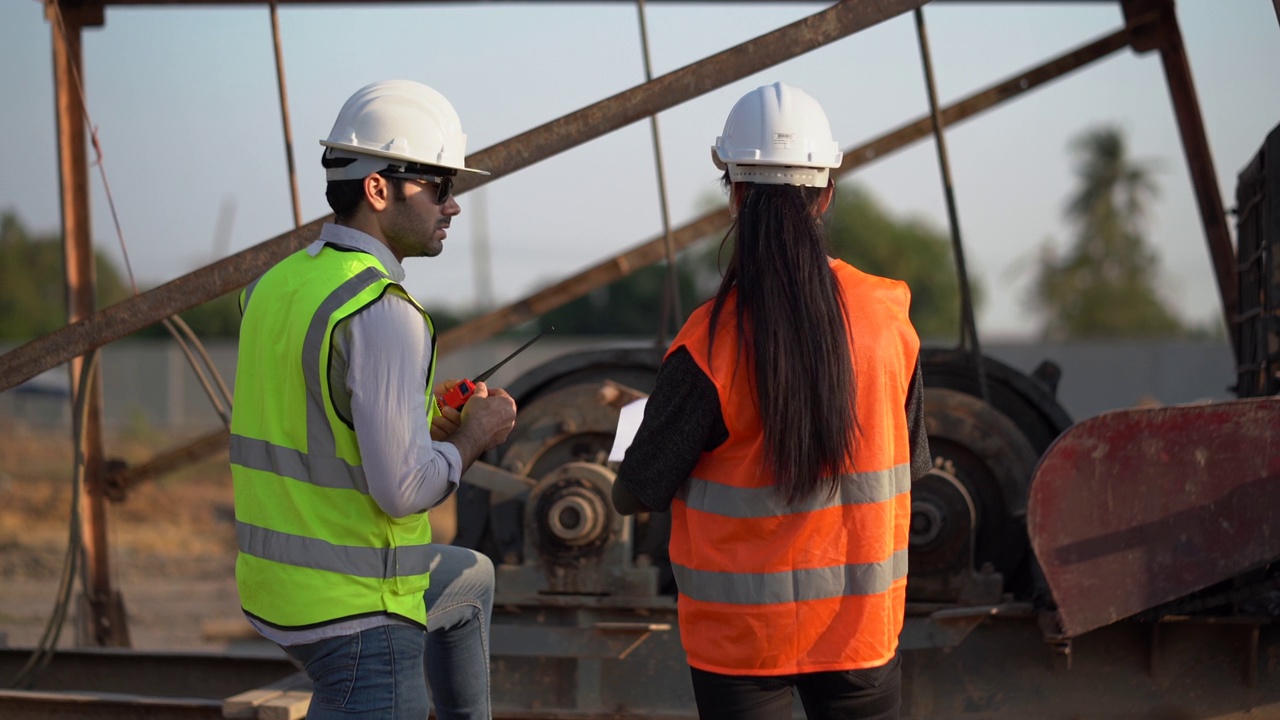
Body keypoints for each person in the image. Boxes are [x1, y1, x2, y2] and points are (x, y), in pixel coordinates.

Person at [610, 82, 931, 720]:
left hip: (741, 647)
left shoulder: (708, 340)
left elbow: (635, 492)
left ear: (734, 191)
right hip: (860, 633)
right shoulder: (888, 320)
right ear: (826, 193)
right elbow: (911, 465)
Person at [229, 79, 517, 720]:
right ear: (379, 188)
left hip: (276, 587)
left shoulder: (274, 285)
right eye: (441, 187)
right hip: (354, 612)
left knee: (471, 577)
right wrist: (475, 435)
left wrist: (426, 430)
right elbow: (404, 492)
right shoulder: (384, 312)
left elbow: (317, 423)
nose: (454, 206)